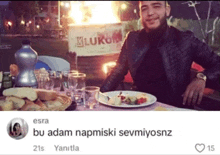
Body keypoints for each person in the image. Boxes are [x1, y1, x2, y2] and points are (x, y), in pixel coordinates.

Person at [100, 1, 220, 109]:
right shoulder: (132, 39)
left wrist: (202, 77)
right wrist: (100, 96)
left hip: (175, 109)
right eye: (144, 8)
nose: (150, 13)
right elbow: (118, 70)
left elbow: (217, 64)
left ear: (167, 10)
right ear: (140, 14)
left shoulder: (186, 40)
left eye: (156, 6)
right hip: (139, 107)